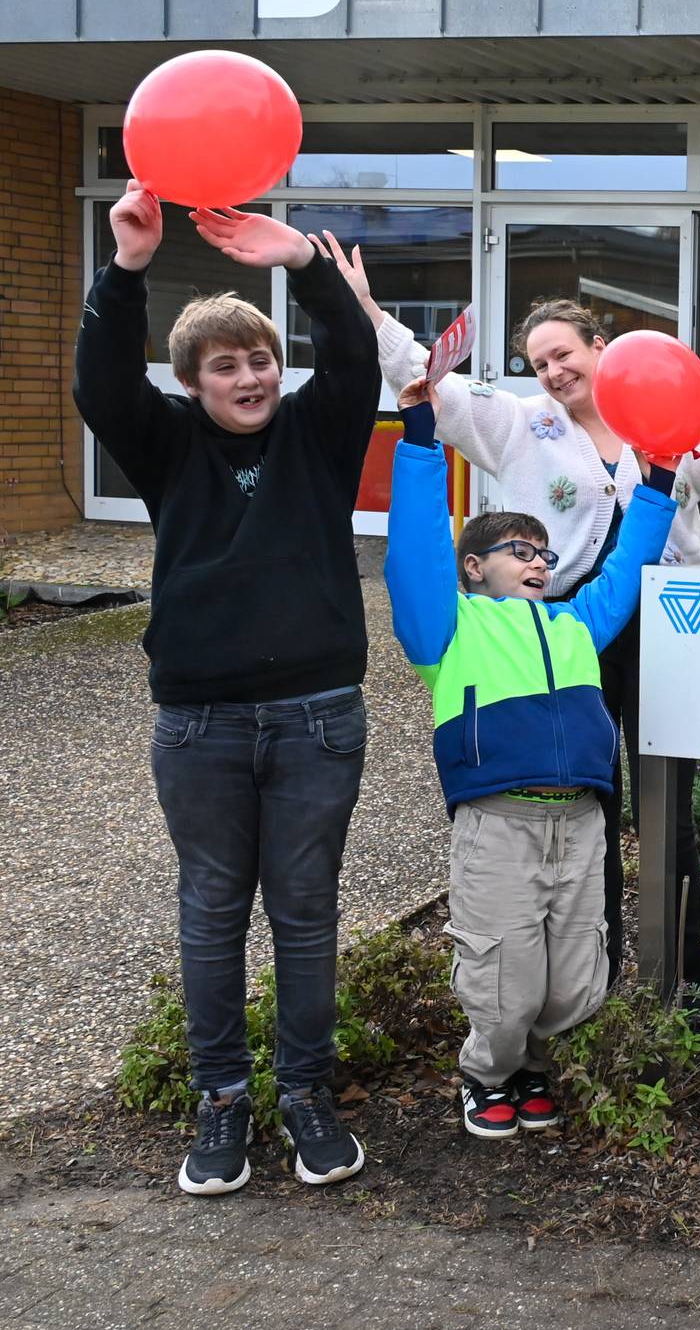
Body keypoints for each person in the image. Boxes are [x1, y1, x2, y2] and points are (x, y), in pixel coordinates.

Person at [326, 238, 700, 997]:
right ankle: (590, 978)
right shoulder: (520, 425)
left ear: (602, 347)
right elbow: (429, 381)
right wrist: (370, 310)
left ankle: (683, 982)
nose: (555, 371)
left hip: (674, 632)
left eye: (565, 353)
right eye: (540, 363)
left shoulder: (674, 415)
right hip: (569, 635)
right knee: (587, 803)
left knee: (671, 809)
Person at [74, 183, 379, 1195]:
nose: (248, 375)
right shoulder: (168, 445)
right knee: (211, 911)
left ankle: (305, 1093)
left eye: (259, 358)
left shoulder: (321, 433)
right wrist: (128, 266)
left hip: (317, 720)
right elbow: (100, 385)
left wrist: (300, 260)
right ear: (192, 382)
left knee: (304, 913)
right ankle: (219, 1102)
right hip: (198, 722)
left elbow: (356, 354)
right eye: (224, 365)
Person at [384, 375, 678, 1138]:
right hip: (499, 821)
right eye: (521, 550)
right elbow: (415, 556)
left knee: (577, 970)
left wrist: (662, 480)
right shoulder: (448, 633)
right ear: (475, 567)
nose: (540, 561)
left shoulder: (578, 625)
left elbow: (626, 568)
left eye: (546, 552)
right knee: (503, 969)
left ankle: (534, 1063)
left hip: (580, 819)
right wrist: (419, 441)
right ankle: (488, 1074)